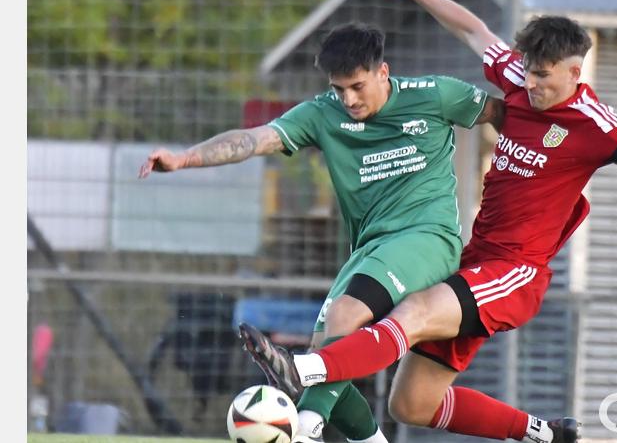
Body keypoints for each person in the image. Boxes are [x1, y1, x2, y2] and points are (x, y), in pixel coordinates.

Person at [242, 0, 617, 443]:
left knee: (415, 310)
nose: (529, 84)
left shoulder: (597, 126)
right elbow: (472, 28)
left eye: (543, 76)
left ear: (575, 73)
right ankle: (543, 433)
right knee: (412, 405)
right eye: (528, 71)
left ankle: (306, 371)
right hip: (475, 262)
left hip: (516, 272)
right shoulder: (518, 76)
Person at [139, 22, 505, 443]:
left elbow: (507, 116)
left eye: (357, 86)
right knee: (327, 353)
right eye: (338, 88)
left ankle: (304, 432)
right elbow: (254, 140)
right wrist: (185, 159)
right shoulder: (322, 114)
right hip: (369, 249)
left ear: (383, 72)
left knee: (344, 319)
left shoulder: (435, 94)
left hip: (428, 239)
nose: (348, 99)